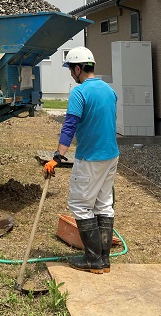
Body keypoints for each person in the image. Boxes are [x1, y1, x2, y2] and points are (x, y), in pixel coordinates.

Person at [44, 46, 118, 275]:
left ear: (78, 69)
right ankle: (103, 260)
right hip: (111, 156)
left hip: (91, 158)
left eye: (70, 70)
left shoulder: (80, 93)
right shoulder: (109, 90)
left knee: (80, 204)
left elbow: (69, 127)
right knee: (103, 204)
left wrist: (57, 157)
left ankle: (93, 259)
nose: (71, 75)